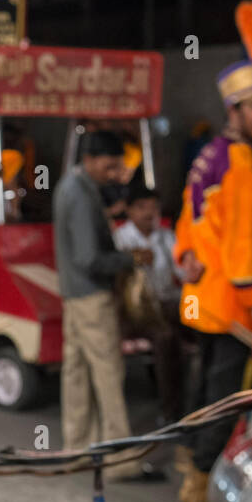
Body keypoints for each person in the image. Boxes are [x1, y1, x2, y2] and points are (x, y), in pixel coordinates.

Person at [173, 6, 252, 502]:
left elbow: (189, 220)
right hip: (234, 310)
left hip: (204, 302)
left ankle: (186, 477)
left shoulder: (209, 155)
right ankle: (198, 498)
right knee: (228, 403)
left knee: (205, 395)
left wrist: (184, 258)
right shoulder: (240, 166)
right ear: (235, 108)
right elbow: (243, 259)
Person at [54, 130, 162, 482]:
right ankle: (120, 461)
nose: (114, 172)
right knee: (108, 375)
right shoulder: (82, 194)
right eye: (111, 165)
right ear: (92, 159)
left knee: (77, 374)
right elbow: (89, 258)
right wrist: (130, 258)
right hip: (90, 297)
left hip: (73, 295)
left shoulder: (72, 185)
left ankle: (77, 452)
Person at [114, 188, 187, 422]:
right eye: (142, 207)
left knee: (198, 325)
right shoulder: (120, 239)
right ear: (129, 210)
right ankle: (170, 412)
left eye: (153, 207)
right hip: (135, 313)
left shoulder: (166, 237)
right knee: (166, 338)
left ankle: (198, 400)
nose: (149, 213)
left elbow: (183, 273)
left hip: (168, 303)